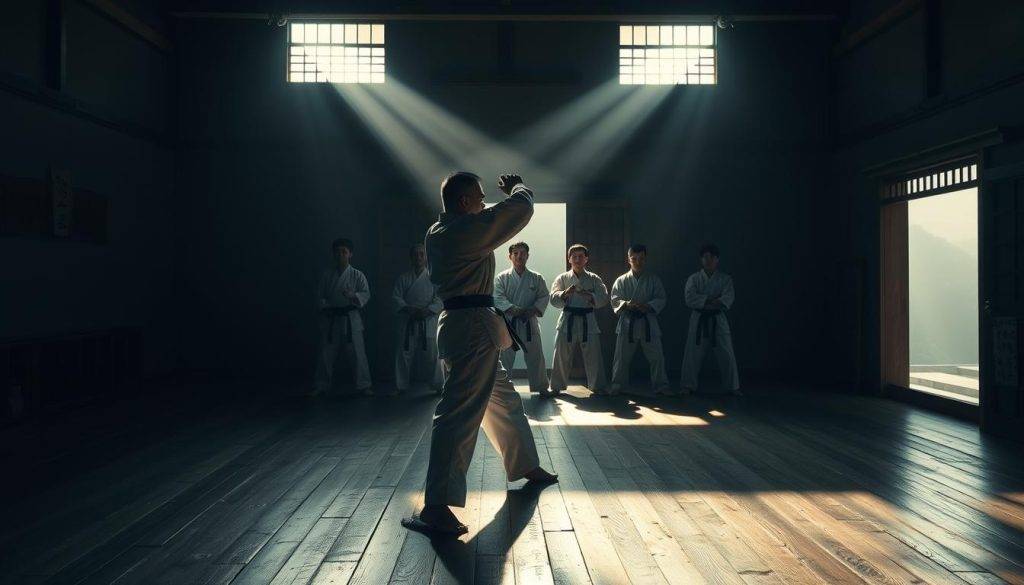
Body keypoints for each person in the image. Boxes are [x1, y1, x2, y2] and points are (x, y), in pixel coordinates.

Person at [402, 172, 557, 536]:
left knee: (503, 402)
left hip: (475, 325)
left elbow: (496, 217)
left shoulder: (443, 230)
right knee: (458, 414)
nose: (486, 202)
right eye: (480, 197)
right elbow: (518, 210)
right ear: (463, 203)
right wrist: (519, 186)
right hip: (470, 327)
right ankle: (436, 507)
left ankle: (526, 465)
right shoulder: (459, 233)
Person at [313, 238, 372, 396]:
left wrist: (353, 296)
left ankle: (364, 385)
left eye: (344, 252)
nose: (340, 255)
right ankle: (321, 385)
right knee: (326, 353)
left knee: (357, 353)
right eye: (337, 252)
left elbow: (366, 295)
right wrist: (326, 306)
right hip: (332, 318)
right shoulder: (327, 275)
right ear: (333, 254)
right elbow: (320, 297)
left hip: (350, 317)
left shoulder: (357, 275)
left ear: (350, 254)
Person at [680, 243, 741, 395]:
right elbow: (689, 299)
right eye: (705, 257)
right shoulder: (694, 279)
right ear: (701, 259)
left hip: (718, 320)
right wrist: (712, 300)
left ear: (717, 259)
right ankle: (687, 386)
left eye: (712, 257)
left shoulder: (725, 279)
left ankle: (733, 387)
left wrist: (704, 301)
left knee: (726, 354)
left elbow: (728, 299)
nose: (708, 260)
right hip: (699, 319)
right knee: (692, 354)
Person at [548, 244, 610, 395]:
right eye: (574, 257)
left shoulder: (594, 279)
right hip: (567, 320)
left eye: (581, 256)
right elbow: (553, 298)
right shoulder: (562, 278)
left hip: (587, 319)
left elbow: (604, 298)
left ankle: (597, 386)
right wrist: (564, 294)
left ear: (586, 259)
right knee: (561, 355)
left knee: (593, 355)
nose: (577, 259)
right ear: (569, 259)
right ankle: (556, 387)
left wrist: (589, 296)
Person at [610, 244, 670, 395]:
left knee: (657, 357)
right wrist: (627, 304)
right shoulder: (621, 280)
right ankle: (618, 385)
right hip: (627, 323)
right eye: (634, 258)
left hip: (648, 321)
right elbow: (615, 300)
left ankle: (661, 386)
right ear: (628, 260)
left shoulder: (653, 280)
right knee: (621, 358)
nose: (638, 261)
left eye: (641, 258)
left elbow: (661, 298)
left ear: (645, 259)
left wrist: (648, 306)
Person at [494, 242, 550, 394]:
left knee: (535, 355)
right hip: (508, 323)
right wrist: (514, 309)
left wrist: (532, 310)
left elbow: (544, 296)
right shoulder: (502, 278)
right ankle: (502, 388)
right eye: (516, 253)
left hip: (528, 321)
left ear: (527, 256)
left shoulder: (536, 278)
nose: (519, 256)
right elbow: (497, 297)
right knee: (505, 356)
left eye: (523, 253)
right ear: (510, 256)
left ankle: (541, 387)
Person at [392, 243, 444, 395]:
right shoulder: (404, 278)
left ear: (426, 257)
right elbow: (396, 298)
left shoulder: (433, 278)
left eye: (422, 254)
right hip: (408, 321)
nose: (419, 257)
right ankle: (400, 385)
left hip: (427, 321)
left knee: (434, 355)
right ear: (411, 258)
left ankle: (438, 385)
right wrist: (410, 309)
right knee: (403, 354)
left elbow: (440, 299)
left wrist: (427, 311)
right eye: (416, 254)